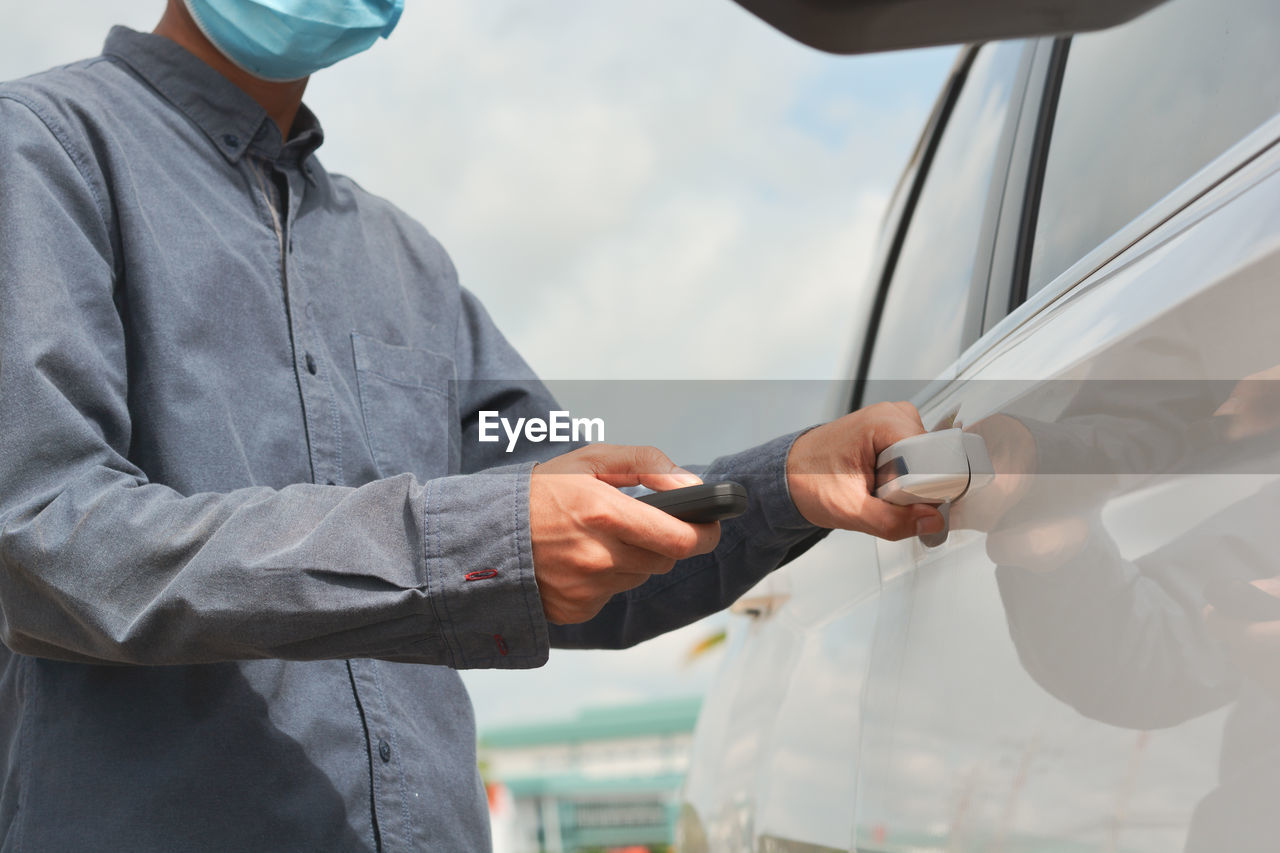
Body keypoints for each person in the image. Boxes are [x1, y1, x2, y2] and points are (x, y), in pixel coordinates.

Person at [0, 1, 943, 849]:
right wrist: (469, 544)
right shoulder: (41, 151)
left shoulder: (405, 260)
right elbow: (48, 542)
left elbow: (587, 550)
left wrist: (785, 484)